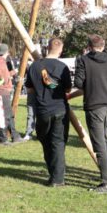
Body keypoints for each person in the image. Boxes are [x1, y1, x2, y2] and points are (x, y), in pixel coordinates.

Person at [72, 35, 107, 194]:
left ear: (89, 46)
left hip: (95, 105)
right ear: (103, 45)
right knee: (105, 141)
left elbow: (78, 83)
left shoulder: (84, 60)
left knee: (99, 144)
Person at [25, 38, 72, 187]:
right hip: (60, 109)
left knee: (45, 141)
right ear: (61, 49)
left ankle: (54, 175)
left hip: (42, 110)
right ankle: (57, 178)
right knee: (57, 142)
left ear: (47, 48)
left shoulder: (34, 66)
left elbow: (30, 89)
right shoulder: (63, 67)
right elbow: (67, 89)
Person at [0, 44, 22, 145]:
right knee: (2, 116)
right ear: (6, 52)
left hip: (4, 91)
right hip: (1, 91)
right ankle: (3, 139)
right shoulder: (0, 62)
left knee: (8, 115)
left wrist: (13, 72)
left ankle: (15, 136)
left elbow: (4, 73)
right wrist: (3, 80)